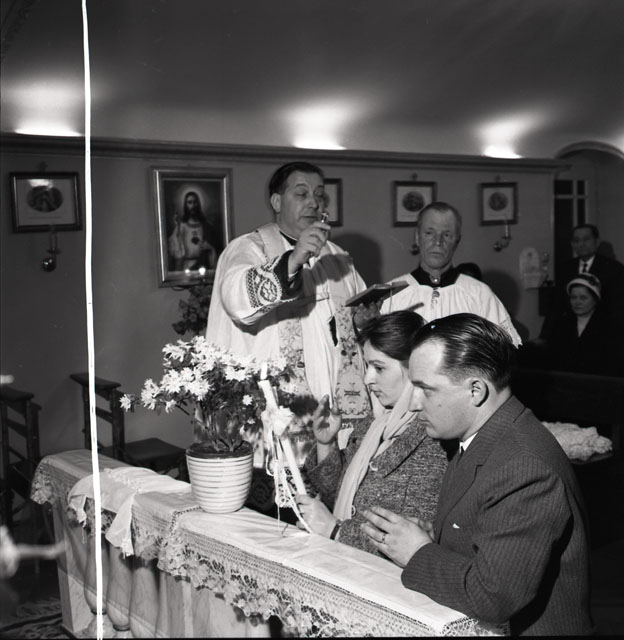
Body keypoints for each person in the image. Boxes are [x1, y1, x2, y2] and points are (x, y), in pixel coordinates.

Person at [360, 313, 593, 636]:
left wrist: (417, 552)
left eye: (425, 389)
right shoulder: (481, 436)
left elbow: (493, 597)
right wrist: (433, 537)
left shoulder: (524, 467)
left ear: (475, 390)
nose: (412, 403)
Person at [206, 161, 371, 465]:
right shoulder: (247, 249)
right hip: (278, 416)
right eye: (302, 193)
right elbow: (237, 301)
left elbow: (347, 323)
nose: (314, 202)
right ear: (277, 202)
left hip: (335, 410)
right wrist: (292, 261)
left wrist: (361, 322)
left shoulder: (337, 257)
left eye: (319, 195)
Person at [296, 311, 448, 555]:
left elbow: (417, 542)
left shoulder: (435, 438)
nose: (367, 379)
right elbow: (339, 494)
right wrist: (326, 443)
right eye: (367, 366)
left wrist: (336, 531)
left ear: (414, 369)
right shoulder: (374, 422)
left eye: (379, 368)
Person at [380, 202, 521, 346]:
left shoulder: (479, 294)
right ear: (417, 237)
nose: (438, 242)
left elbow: (505, 348)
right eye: (429, 233)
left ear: (457, 241)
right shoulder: (392, 294)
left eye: (447, 235)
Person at [543, 273, 623, 376]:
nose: (577, 302)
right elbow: (553, 358)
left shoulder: (610, 327)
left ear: (595, 300)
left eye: (583, 298)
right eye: (573, 297)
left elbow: (613, 364)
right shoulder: (561, 324)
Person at [551, 223, 624, 324]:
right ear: (572, 244)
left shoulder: (613, 268)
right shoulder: (565, 268)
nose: (581, 244)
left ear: (597, 242)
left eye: (586, 239)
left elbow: (617, 306)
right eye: (577, 241)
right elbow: (557, 304)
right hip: (570, 326)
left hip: (603, 326)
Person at [168, 190, 219, 272]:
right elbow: (175, 247)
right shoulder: (181, 226)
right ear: (186, 205)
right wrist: (177, 229)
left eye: (195, 202)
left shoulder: (206, 226)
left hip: (203, 266)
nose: (192, 206)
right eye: (189, 202)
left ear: (198, 204)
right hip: (186, 267)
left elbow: (214, 248)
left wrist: (210, 248)